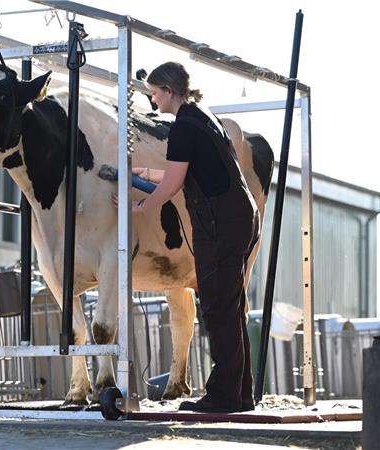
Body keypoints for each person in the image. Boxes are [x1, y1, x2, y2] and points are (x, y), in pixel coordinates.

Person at [114, 61, 259, 413]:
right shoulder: (202, 117)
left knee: (217, 305)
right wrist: (141, 172)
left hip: (221, 222)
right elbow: (181, 170)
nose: (152, 101)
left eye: (154, 93)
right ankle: (240, 393)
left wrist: (141, 206)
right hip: (241, 216)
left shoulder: (183, 127)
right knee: (231, 305)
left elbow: (173, 183)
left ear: (168, 90)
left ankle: (223, 396)